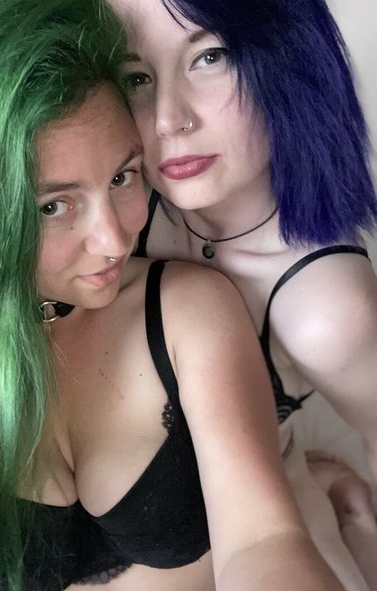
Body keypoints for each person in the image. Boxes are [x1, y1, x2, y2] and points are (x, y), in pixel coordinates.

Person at [0, 0, 348, 590]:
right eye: (53, 206)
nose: (115, 239)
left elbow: (264, 538)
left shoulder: (189, 310)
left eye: (122, 177)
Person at [106, 0, 377, 589]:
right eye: (137, 78)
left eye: (211, 56)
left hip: (278, 533)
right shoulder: (116, 209)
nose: (168, 120)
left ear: (290, 60)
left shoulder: (324, 309)